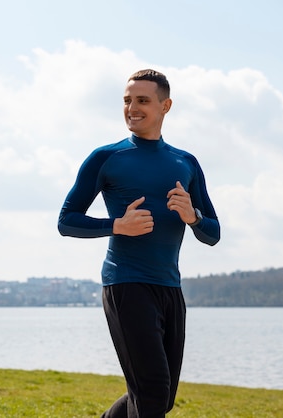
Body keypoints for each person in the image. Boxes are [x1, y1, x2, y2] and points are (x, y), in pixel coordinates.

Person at [58, 69, 220, 417]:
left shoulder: (186, 162)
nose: (132, 108)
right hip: (126, 284)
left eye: (142, 101)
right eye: (127, 101)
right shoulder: (107, 158)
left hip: (170, 288)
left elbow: (213, 233)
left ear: (166, 106)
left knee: (159, 397)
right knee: (152, 391)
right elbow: (67, 220)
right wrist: (117, 225)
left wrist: (194, 217)